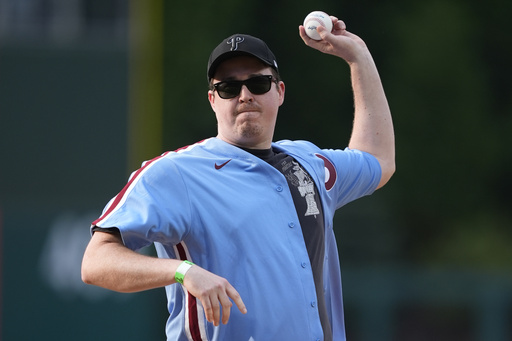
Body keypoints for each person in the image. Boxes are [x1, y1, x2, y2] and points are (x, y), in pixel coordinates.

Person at [82, 15, 395, 341]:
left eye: (257, 84)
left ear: (280, 92)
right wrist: (182, 271)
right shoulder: (177, 173)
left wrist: (358, 55)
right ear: (213, 100)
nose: (244, 95)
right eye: (229, 87)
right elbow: (96, 261)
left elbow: (379, 161)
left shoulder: (308, 163)